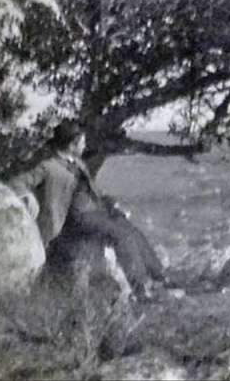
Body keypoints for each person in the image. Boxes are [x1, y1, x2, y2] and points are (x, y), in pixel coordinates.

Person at [10, 121, 163, 299]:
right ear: (72, 144)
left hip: (92, 213)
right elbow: (18, 182)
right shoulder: (48, 167)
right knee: (120, 234)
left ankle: (158, 274)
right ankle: (140, 289)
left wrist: (110, 204)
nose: (85, 145)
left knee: (129, 227)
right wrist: (27, 197)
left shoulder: (79, 164)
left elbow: (93, 192)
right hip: (72, 219)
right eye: (82, 142)